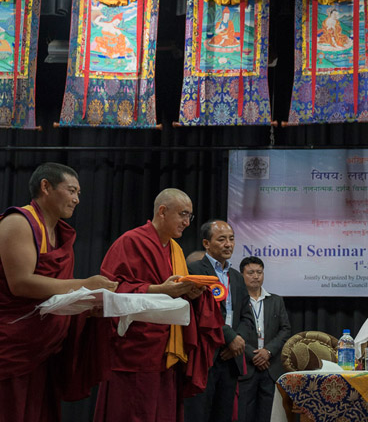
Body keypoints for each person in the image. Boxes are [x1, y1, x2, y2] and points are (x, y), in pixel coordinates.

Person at [93, 188, 224, 422]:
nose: (187, 222)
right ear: (162, 211)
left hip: (168, 350)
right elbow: (111, 290)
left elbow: (174, 296)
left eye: (190, 216)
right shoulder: (131, 241)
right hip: (134, 350)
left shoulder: (175, 250)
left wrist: (191, 294)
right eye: (183, 214)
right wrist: (161, 289)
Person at [0, 162, 118, 422]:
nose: (76, 199)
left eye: (79, 194)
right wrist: (85, 285)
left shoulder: (59, 234)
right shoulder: (19, 221)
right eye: (72, 190)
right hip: (13, 346)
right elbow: (20, 284)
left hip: (44, 349)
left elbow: (53, 295)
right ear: (46, 187)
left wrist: (85, 305)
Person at [184, 220, 253, 422]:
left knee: (223, 415)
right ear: (206, 243)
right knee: (197, 414)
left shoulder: (237, 277)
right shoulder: (194, 269)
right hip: (204, 356)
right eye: (221, 239)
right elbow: (201, 313)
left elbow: (247, 315)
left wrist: (238, 340)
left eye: (231, 239)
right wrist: (230, 337)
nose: (228, 244)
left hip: (231, 357)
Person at [238, 256, 291, 422]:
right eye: (251, 272)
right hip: (246, 365)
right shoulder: (237, 301)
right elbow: (232, 332)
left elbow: (285, 329)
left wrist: (267, 351)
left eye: (259, 272)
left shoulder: (275, 300)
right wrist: (253, 355)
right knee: (244, 414)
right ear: (242, 275)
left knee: (267, 415)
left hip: (270, 367)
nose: (256, 276)